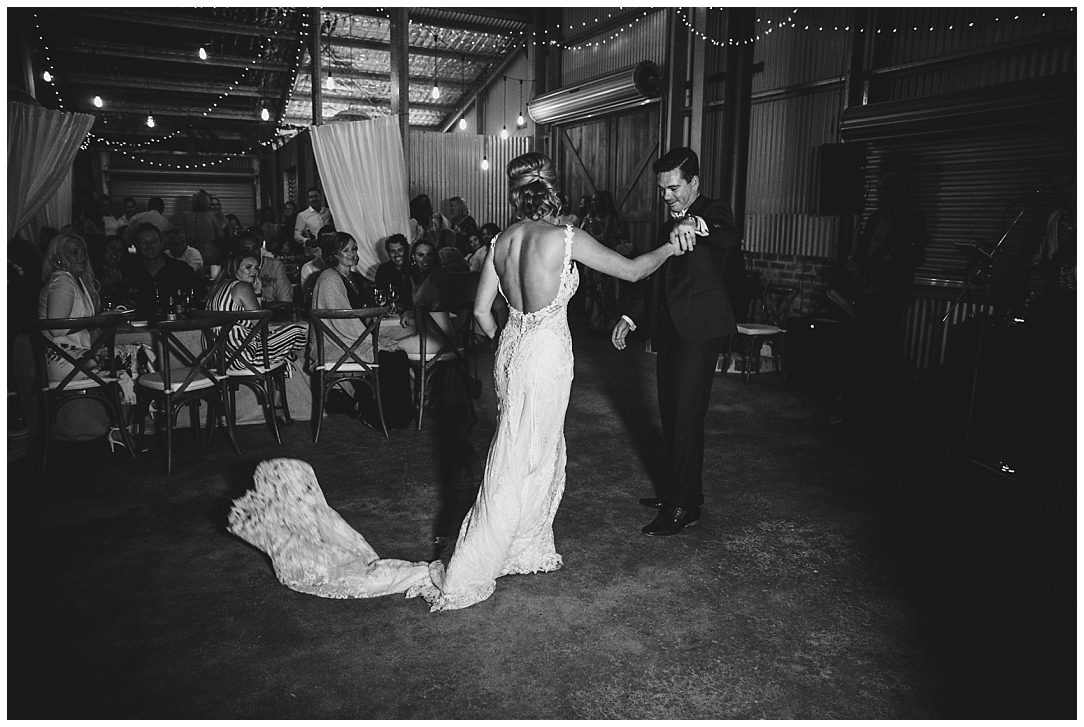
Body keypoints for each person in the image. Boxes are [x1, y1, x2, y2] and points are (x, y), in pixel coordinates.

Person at [226, 152, 681, 610]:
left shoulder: (502, 241)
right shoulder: (566, 238)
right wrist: (671, 246)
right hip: (545, 355)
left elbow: (482, 313)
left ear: (518, 195)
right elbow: (634, 270)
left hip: (512, 352)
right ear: (552, 190)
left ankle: (522, 542)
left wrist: (512, 340)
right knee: (531, 451)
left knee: (514, 444)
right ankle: (488, 554)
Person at [611, 146, 740, 537]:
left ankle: (684, 507)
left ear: (694, 183)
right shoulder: (666, 224)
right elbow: (654, 276)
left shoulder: (714, 211)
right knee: (670, 413)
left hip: (700, 330)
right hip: (669, 331)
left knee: (686, 416)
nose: (666, 196)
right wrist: (632, 316)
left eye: (674, 188)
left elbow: (724, 233)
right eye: (662, 189)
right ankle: (681, 492)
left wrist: (696, 224)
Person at [845, 172, 929, 423]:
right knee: (865, 344)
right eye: (880, 191)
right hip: (867, 289)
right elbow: (864, 249)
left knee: (887, 345)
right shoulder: (874, 218)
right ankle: (863, 395)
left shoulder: (912, 219)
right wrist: (855, 263)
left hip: (891, 291)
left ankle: (885, 401)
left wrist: (897, 261)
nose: (883, 195)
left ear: (899, 192)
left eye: (887, 190)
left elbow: (918, 255)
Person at [205, 250, 308, 371]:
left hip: (221, 359)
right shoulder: (241, 287)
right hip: (243, 358)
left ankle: (288, 360)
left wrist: (257, 293)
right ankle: (299, 366)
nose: (254, 271)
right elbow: (261, 328)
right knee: (297, 331)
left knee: (287, 353)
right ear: (234, 269)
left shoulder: (218, 287)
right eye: (248, 267)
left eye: (257, 268)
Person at [38, 232, 101, 382]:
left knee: (131, 353)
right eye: (74, 252)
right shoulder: (62, 282)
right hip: (64, 359)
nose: (82, 257)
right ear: (58, 258)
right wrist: (96, 320)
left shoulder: (75, 281)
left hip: (78, 355)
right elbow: (57, 328)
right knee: (137, 352)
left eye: (84, 252)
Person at [308, 232, 375, 368]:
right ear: (334, 254)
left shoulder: (358, 279)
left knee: (397, 354)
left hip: (353, 339)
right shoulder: (329, 279)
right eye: (345, 250)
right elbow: (341, 323)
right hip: (334, 344)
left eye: (353, 249)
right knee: (390, 358)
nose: (351, 253)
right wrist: (371, 340)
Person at [121, 223, 204, 319]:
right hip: (136, 326)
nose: (149, 246)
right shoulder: (128, 271)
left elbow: (198, 299)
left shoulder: (181, 270)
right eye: (143, 242)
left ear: (161, 242)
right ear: (136, 244)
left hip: (176, 325)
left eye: (154, 241)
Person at [582, 190, 631, 331]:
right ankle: (594, 322)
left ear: (604, 202)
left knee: (607, 289)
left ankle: (607, 324)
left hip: (607, 255)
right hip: (594, 255)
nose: (594, 203)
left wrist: (589, 236)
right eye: (593, 200)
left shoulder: (610, 216)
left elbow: (605, 238)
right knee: (593, 287)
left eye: (597, 200)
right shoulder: (590, 217)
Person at [234, 230, 293, 305]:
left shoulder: (274, 265)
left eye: (255, 248)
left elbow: (285, 300)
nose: (252, 252)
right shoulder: (234, 269)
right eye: (246, 250)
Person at [183, 190, 230, 266]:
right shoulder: (211, 215)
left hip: (192, 251)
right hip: (209, 251)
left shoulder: (186, 215)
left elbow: (182, 234)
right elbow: (220, 234)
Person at [374, 233, 412, 312]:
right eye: (392, 251)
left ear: (406, 250)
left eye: (400, 250)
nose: (396, 255)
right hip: (392, 313)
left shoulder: (414, 268)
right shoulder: (383, 270)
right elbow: (380, 296)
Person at [95, 235, 130, 305]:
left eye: (120, 250)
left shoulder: (127, 274)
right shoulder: (91, 272)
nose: (116, 252)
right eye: (112, 248)